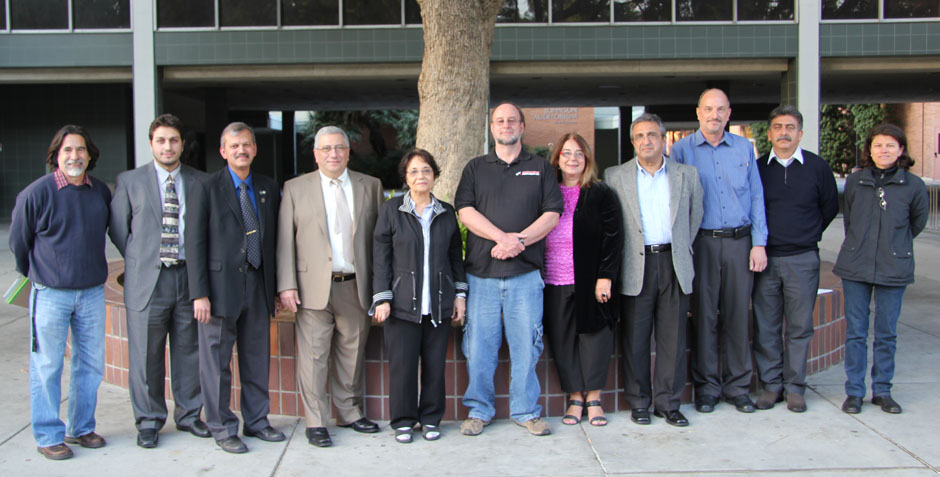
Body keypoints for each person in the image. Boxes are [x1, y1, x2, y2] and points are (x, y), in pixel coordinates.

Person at [455, 102, 564, 437]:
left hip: (525, 277)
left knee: (526, 347)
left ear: (522, 126)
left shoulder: (541, 168)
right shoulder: (475, 168)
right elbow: (465, 211)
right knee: (478, 348)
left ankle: (526, 411)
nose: (506, 125)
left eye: (512, 120)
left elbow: (552, 214)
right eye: (500, 121)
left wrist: (519, 241)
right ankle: (479, 410)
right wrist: (502, 238)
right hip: (482, 276)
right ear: (492, 127)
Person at [276, 126, 384, 448]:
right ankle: (316, 422)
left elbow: (381, 241)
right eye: (326, 149)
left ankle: (349, 413)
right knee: (313, 356)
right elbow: (285, 240)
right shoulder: (295, 188)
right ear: (316, 154)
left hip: (355, 285)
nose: (333, 154)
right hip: (311, 287)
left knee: (352, 353)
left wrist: (381, 288)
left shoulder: (371, 186)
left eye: (339, 148)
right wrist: (286, 284)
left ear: (349, 152)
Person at [109, 114, 211, 448]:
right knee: (145, 356)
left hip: (187, 278)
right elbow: (118, 229)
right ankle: (149, 421)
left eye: (173, 140)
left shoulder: (200, 181)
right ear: (151, 143)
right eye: (161, 140)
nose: (167, 146)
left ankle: (189, 415)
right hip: (147, 282)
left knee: (189, 351)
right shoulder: (129, 181)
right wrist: (141, 259)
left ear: (182, 144)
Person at [10, 125, 112, 460]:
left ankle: (81, 428)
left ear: (89, 154)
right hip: (50, 294)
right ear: (56, 155)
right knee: (47, 365)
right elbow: (19, 244)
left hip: (92, 294)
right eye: (67, 150)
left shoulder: (100, 192)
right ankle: (48, 434)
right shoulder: (36, 194)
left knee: (92, 364)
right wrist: (39, 275)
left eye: (80, 149)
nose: (74, 156)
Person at [671, 88, 768, 414]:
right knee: (704, 317)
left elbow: (756, 197)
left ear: (729, 113)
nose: (714, 115)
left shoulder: (744, 148)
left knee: (739, 317)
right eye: (708, 109)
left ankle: (738, 387)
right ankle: (707, 388)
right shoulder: (682, 150)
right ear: (698, 112)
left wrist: (759, 242)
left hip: (740, 244)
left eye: (721, 109)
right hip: (702, 245)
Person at [607, 113, 703, 427]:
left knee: (672, 339)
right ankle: (639, 403)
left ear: (663, 140)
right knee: (635, 337)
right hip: (636, 264)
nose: (646, 141)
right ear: (633, 142)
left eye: (652, 135)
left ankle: (669, 403)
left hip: (674, 261)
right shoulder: (615, 176)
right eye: (640, 136)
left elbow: (695, 215)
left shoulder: (686, 175)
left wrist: (680, 247)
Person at [198, 122, 286, 453]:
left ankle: (257, 421)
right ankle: (221, 427)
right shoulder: (207, 187)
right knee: (216, 364)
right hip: (219, 291)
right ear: (223, 151)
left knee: (256, 359)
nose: (241, 150)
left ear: (255, 148)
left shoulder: (267, 187)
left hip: (258, 285)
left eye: (246, 144)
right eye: (234, 146)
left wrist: (275, 288)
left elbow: (274, 242)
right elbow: (195, 244)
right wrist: (199, 293)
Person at [371, 149, 467, 443]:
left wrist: (460, 295)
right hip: (401, 305)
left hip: (437, 304)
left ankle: (430, 419)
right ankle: (402, 420)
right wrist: (383, 297)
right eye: (413, 171)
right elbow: (381, 256)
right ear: (405, 177)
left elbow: (455, 258)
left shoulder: (446, 211)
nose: (420, 176)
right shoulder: (392, 210)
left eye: (425, 170)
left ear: (435, 175)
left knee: (435, 367)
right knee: (403, 366)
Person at [833, 123, 928, 415]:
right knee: (856, 332)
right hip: (856, 264)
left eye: (890, 145)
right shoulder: (856, 181)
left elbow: (916, 223)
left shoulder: (913, 186)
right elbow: (850, 219)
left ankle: (883, 390)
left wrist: (893, 245)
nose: (883, 150)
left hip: (893, 266)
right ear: (869, 150)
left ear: (901, 150)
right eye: (877, 145)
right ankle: (855, 392)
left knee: (886, 332)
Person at [753, 106, 839, 413]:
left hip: (803, 259)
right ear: (770, 133)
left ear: (800, 133)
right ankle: (770, 385)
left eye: (790, 127)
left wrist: (808, 232)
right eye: (778, 127)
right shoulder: (759, 167)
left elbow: (829, 207)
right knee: (767, 326)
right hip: (765, 261)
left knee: (800, 327)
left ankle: (795, 388)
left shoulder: (817, 168)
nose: (784, 132)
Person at [542, 132, 622, 427]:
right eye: (566, 153)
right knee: (563, 342)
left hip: (591, 281)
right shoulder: (547, 193)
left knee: (594, 340)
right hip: (554, 280)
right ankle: (575, 397)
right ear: (558, 159)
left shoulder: (601, 193)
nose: (572, 159)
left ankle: (594, 398)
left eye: (578, 153)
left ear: (586, 159)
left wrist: (605, 277)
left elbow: (614, 239)